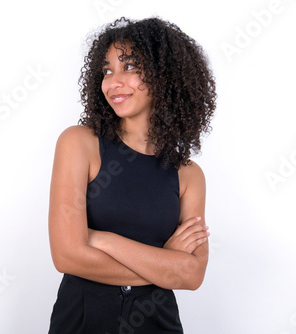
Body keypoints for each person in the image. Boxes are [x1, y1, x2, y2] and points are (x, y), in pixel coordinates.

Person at [48, 16, 217, 333]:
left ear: (164, 76)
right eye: (108, 70)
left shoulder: (189, 175)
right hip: (83, 321)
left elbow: (192, 276)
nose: (113, 82)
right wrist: (165, 263)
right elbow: (67, 256)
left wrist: (103, 241)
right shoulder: (79, 143)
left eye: (129, 67)